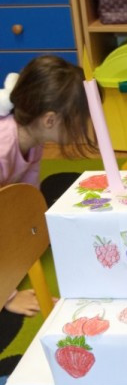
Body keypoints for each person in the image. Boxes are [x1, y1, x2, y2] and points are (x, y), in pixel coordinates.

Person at [0, 56, 95, 315]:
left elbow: (28, 193)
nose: (82, 128)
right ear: (50, 120)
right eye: (78, 121)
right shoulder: (3, 147)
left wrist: (38, 230)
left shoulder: (33, 138)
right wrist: (8, 295)